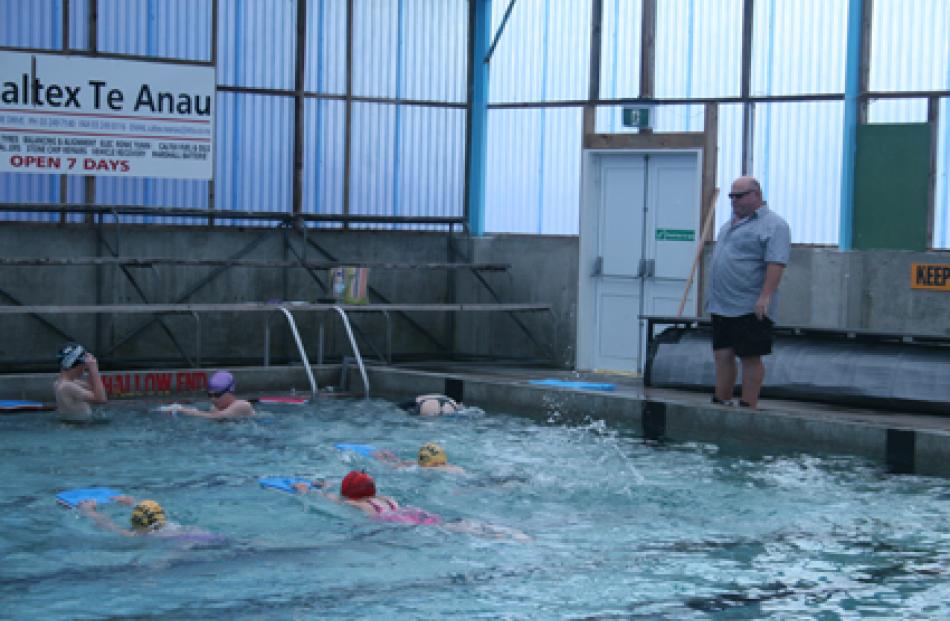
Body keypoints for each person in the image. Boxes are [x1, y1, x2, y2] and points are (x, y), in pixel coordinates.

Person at [706, 176, 791, 409]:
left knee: (750, 357)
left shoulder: (774, 225)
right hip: (722, 303)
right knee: (722, 355)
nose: (734, 201)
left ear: (756, 195)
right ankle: (721, 401)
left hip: (749, 303)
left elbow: (776, 262)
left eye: (739, 196)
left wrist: (765, 296)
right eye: (731, 196)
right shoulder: (730, 224)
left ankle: (748, 406)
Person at [293, 470, 530, 541]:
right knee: (452, 525)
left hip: (401, 522)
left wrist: (311, 489)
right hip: (413, 512)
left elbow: (330, 499)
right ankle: (500, 532)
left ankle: (498, 535)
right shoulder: (384, 498)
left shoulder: (360, 505)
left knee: (450, 529)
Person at [76, 495, 220, 543]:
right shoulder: (168, 525)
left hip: (193, 542)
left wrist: (88, 511)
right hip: (211, 537)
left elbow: (109, 526)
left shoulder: (143, 534)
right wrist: (131, 501)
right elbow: (149, 511)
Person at [53, 343, 108, 423]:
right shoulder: (67, 387)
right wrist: (94, 369)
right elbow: (101, 399)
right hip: (81, 427)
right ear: (75, 364)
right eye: (84, 364)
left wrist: (91, 370)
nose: (85, 367)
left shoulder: (59, 383)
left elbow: (93, 388)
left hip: (75, 425)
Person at [167, 370, 254, 419]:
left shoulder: (242, 405)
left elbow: (217, 417)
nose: (213, 399)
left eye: (217, 395)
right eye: (210, 395)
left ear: (229, 392)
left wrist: (182, 410)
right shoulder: (214, 408)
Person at [372, 442, 466, 474]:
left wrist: (385, 461)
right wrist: (393, 459)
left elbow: (417, 465)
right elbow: (415, 464)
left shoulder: (431, 468)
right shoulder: (454, 468)